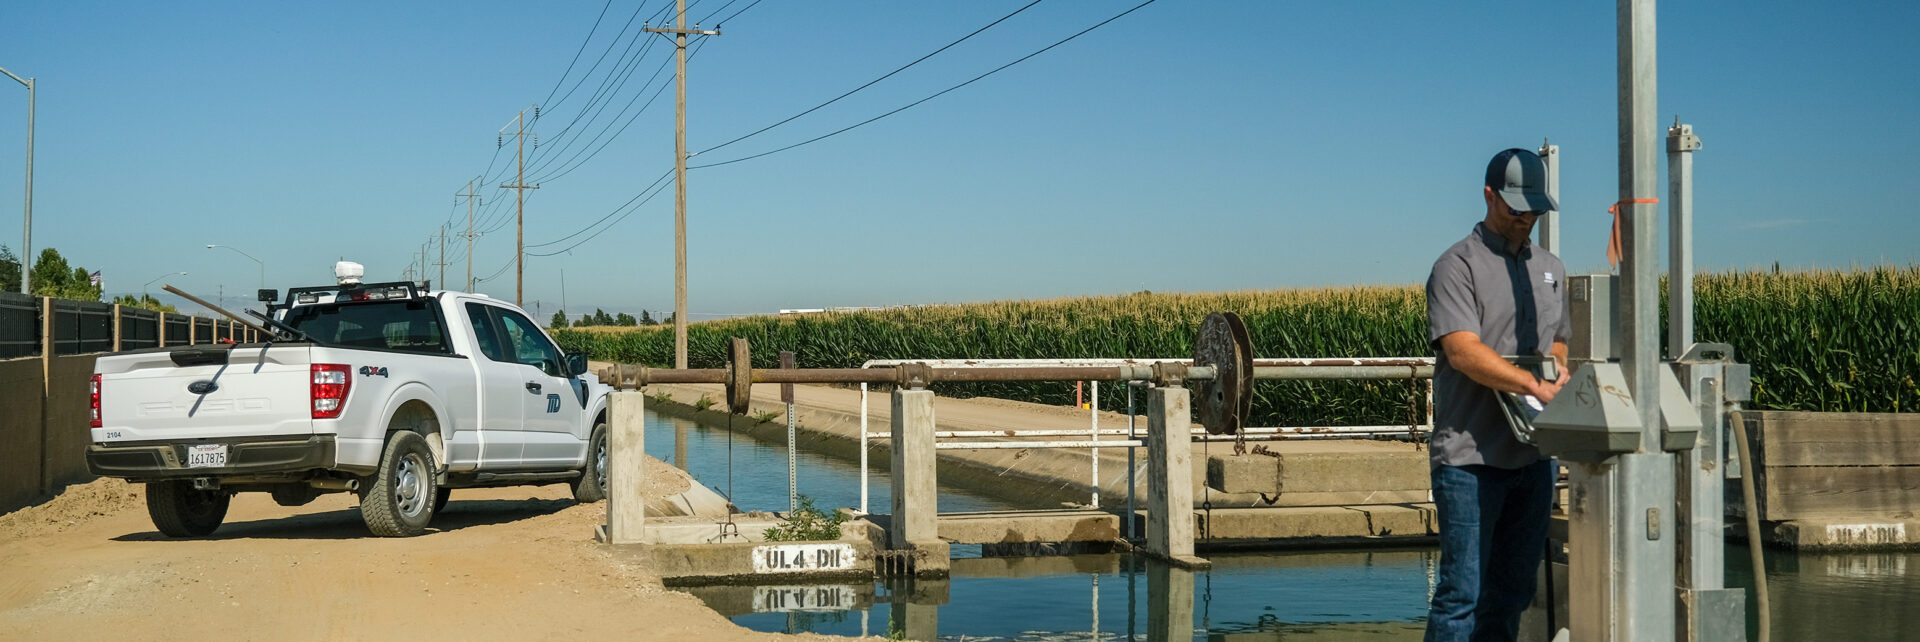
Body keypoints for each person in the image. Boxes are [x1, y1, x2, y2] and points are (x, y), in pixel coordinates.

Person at [1422, 147, 1571, 642]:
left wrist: (1559, 370)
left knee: (1512, 595)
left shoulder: (1551, 268)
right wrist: (1531, 384)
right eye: (1515, 207)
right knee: (1462, 597)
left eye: (1534, 208)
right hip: (1470, 460)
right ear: (1489, 196)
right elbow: (1463, 351)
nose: (1525, 217)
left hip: (1533, 460)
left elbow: (1558, 339)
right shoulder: (1455, 267)